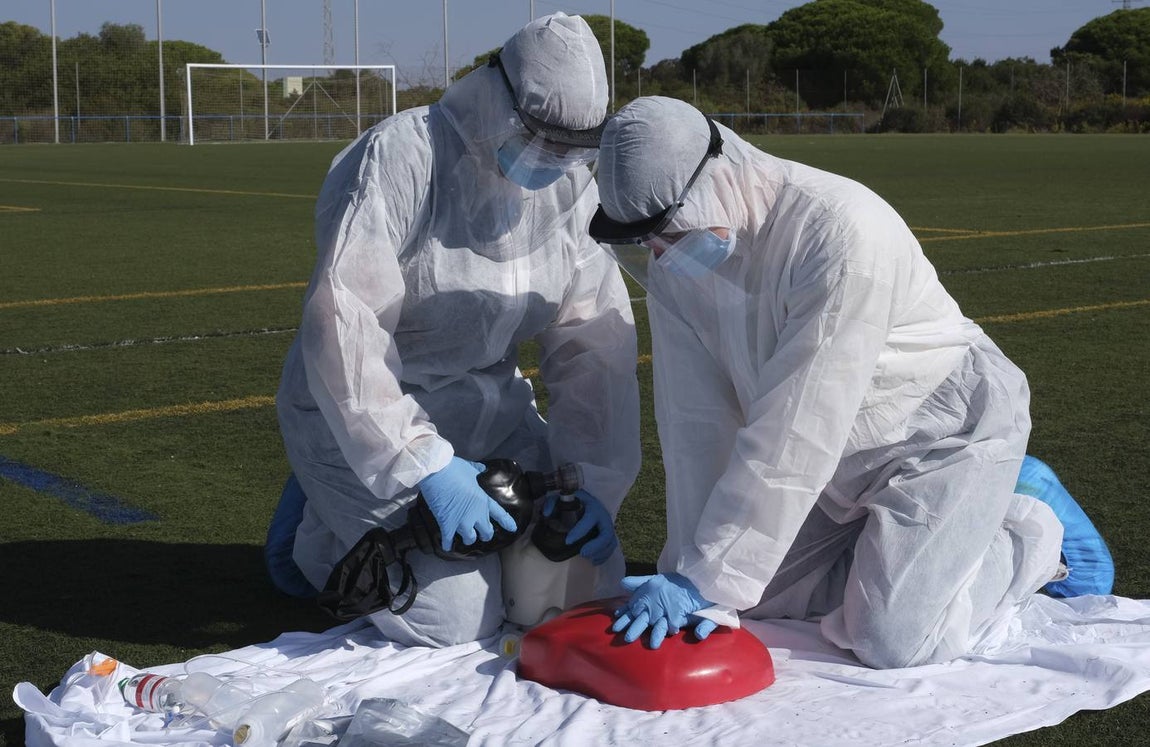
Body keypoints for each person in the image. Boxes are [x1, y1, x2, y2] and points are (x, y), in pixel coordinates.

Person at [588, 96, 1113, 668]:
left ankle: (1029, 528)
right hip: (839, 458)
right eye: (645, 241)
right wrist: (692, 568)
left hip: (941, 433)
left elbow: (800, 424)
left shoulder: (838, 232)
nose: (659, 253)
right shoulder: (686, 255)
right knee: (751, 595)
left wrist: (710, 578)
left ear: (717, 175)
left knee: (894, 639)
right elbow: (695, 419)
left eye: (667, 231)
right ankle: (896, 552)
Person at [264, 13, 641, 648]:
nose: (552, 158)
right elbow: (346, 323)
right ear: (498, 95)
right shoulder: (403, 157)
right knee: (457, 618)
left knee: (583, 581)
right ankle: (318, 531)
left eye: (571, 144)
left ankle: (365, 505)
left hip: (490, 408)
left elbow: (591, 346)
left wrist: (592, 480)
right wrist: (419, 463)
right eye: (539, 135)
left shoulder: (569, 186)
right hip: (368, 411)